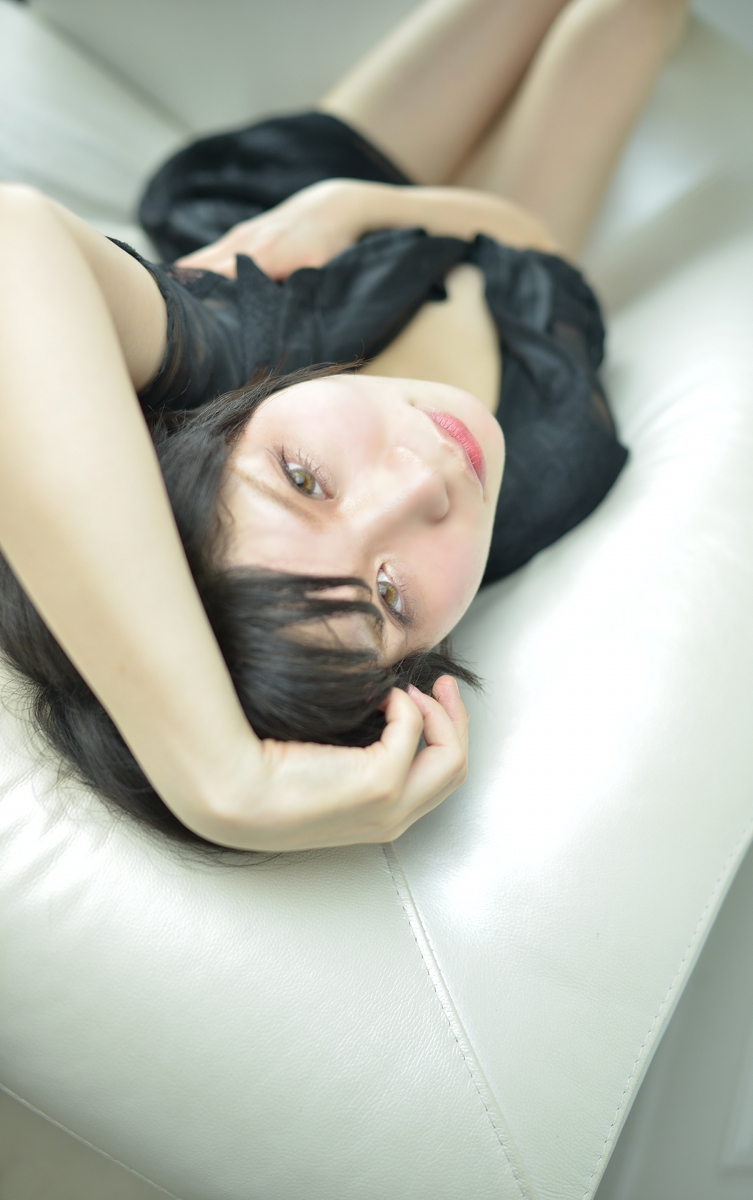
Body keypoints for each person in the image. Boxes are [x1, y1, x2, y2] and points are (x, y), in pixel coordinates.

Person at [0, 0, 688, 853]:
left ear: (205, 438)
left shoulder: (226, 353)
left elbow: (11, 242)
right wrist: (378, 209)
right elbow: (531, 250)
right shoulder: (546, 461)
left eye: (303, 479)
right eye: (390, 598)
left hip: (288, 211)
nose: (424, 479)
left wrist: (218, 777)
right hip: (418, 235)